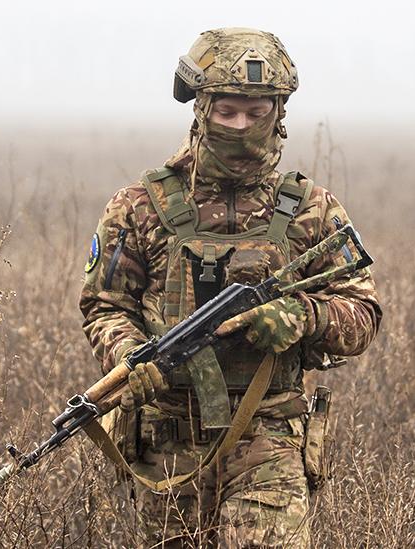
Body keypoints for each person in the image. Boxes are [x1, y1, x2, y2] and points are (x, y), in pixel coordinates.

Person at [79, 27, 381, 548]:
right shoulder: (140, 206)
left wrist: (301, 317)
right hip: (166, 444)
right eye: (227, 112)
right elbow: (105, 306)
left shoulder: (311, 211)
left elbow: (363, 312)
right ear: (200, 108)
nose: (242, 126)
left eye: (256, 112)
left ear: (278, 112)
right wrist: (129, 357)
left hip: (268, 441)